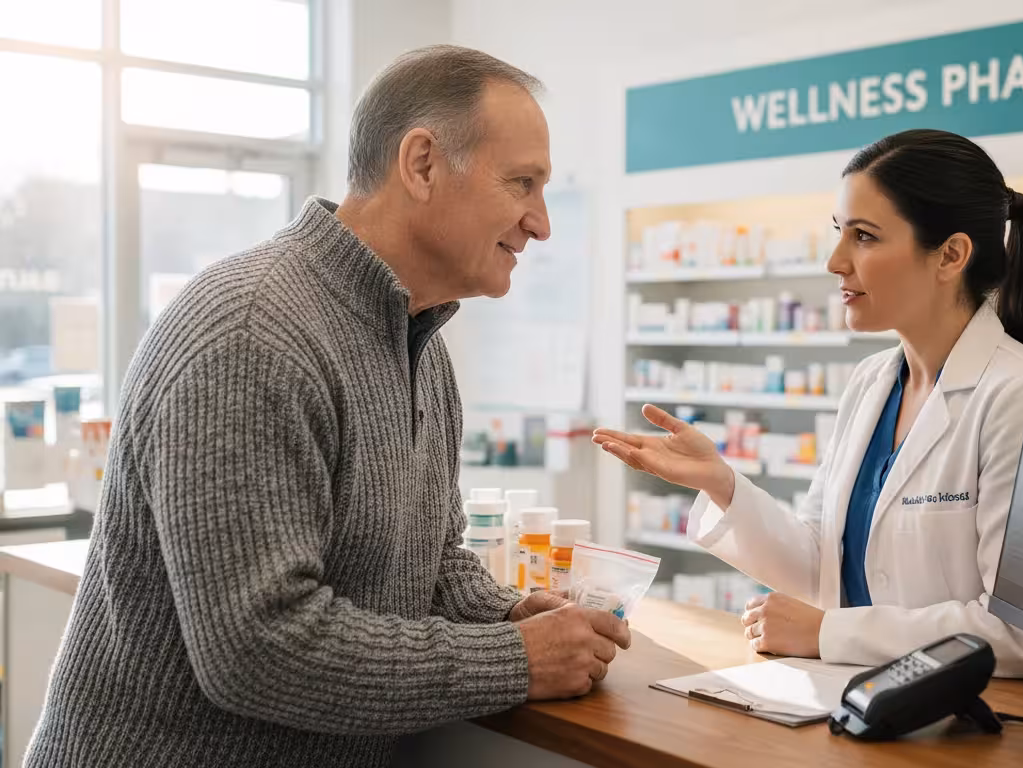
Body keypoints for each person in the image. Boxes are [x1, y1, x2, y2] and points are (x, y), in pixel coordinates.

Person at [26, 45, 630, 768]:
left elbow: (427, 561)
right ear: (423, 164)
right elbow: (259, 647)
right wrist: (512, 658)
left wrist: (503, 612)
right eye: (521, 183)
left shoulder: (419, 343)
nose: (541, 223)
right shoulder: (251, 334)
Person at [595, 129, 1023, 676]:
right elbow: (822, 563)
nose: (835, 261)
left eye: (864, 237)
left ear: (950, 255)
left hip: (986, 727)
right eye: (839, 232)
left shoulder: (1020, 395)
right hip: (868, 703)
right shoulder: (872, 383)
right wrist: (721, 484)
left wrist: (829, 632)